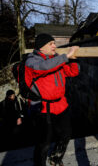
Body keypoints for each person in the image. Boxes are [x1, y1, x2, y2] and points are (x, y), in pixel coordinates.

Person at [25, 33, 80, 166]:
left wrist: (72, 59)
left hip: (61, 104)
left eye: (54, 43)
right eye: (51, 43)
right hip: (43, 108)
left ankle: (56, 158)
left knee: (66, 135)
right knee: (44, 142)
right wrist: (65, 56)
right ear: (41, 47)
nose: (55, 46)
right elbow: (44, 67)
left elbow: (73, 72)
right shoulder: (31, 61)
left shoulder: (56, 59)